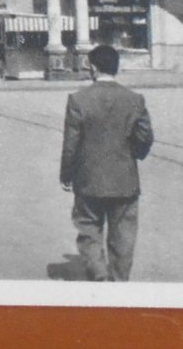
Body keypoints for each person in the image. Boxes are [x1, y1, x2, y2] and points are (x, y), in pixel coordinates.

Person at [60, 44, 155, 282]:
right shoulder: (135, 99)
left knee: (89, 228)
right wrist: (130, 155)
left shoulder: (78, 100)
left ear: (92, 67)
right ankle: (119, 282)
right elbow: (145, 137)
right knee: (124, 235)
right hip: (125, 179)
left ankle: (99, 275)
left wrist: (66, 175)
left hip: (88, 178)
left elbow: (71, 143)